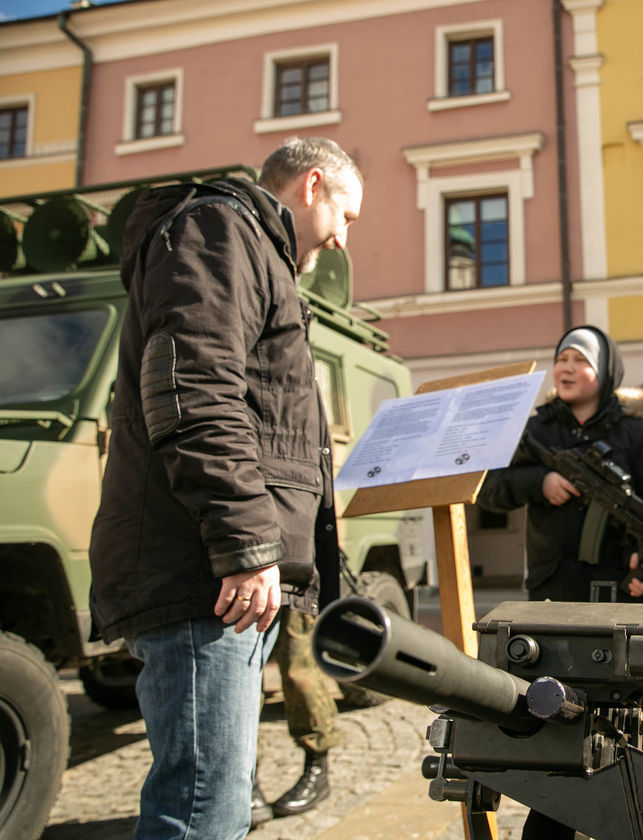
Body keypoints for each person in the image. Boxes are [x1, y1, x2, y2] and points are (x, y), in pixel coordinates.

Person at [89, 136, 362, 839]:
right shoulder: (220, 229)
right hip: (205, 577)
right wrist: (246, 544)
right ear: (311, 187)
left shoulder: (244, 245)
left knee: (213, 794)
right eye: (347, 216)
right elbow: (195, 388)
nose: (341, 240)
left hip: (210, 574)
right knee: (202, 808)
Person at [480, 324, 643, 604]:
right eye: (562, 359)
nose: (567, 368)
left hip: (621, 589)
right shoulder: (534, 431)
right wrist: (539, 483)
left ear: (606, 370)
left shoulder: (637, 433)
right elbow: (488, 488)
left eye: (581, 360)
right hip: (552, 588)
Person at [251, 607, 345, 828]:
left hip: (292, 581)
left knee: (299, 664)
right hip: (241, 581)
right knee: (243, 673)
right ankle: (248, 781)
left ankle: (317, 765)